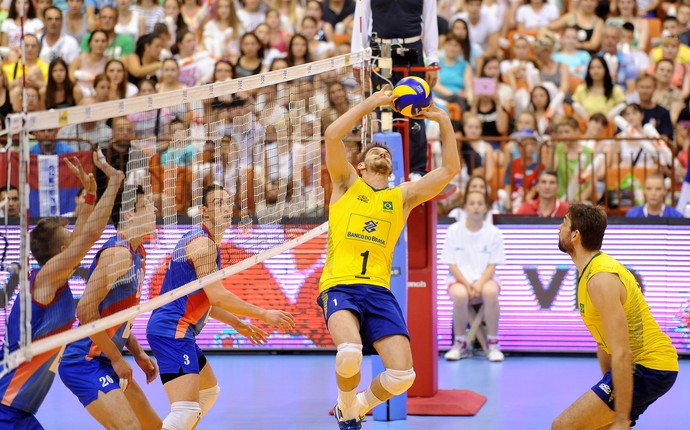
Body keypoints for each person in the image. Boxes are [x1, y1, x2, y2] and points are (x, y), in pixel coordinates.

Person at [318, 89, 459, 429]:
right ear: (362, 165)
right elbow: (332, 135)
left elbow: (451, 169)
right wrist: (374, 103)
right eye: (375, 152)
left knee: (402, 376)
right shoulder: (346, 182)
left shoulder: (403, 196)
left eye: (386, 153)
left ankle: (354, 408)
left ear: (391, 167)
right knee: (349, 353)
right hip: (340, 285)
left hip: (379, 291)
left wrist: (443, 120)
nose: (382, 154)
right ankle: (345, 403)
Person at [146, 183, 294, 430]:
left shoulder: (206, 241)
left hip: (179, 330)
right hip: (173, 330)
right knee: (185, 412)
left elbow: (205, 301)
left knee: (208, 391)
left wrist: (238, 324)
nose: (226, 208)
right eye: (217, 203)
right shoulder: (203, 245)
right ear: (204, 211)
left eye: (228, 202)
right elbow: (217, 297)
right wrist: (263, 314)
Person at [0, 152, 124, 428]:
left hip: (20, 411)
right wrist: (113, 183)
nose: (75, 235)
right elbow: (89, 236)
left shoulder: (55, 276)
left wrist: (90, 195)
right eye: (69, 236)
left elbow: (82, 233)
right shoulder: (44, 279)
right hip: (4, 406)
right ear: (62, 251)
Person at [553, 204, 678, 429]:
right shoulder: (588, 271)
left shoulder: (601, 279)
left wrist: (621, 418)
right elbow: (605, 344)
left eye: (563, 221)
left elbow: (621, 352)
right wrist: (609, 385)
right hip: (645, 366)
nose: (558, 227)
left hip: (649, 367)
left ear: (575, 235)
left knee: (562, 426)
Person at [57, 186, 160, 429]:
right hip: (84, 361)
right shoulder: (118, 254)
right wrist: (117, 358)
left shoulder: (137, 253)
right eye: (146, 206)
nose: (155, 209)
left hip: (104, 358)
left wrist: (137, 352)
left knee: (153, 427)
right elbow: (85, 311)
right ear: (129, 215)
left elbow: (115, 317)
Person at [350, 0, 439, 179]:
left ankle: (417, 169)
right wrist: (357, 59)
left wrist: (432, 58)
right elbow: (361, 18)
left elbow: (430, 19)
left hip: (412, 50)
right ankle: (382, 169)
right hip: (380, 52)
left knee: (416, 109)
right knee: (383, 112)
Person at [442, 190, 505, 362]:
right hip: (459, 281)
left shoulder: (494, 233)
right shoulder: (453, 231)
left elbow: (493, 264)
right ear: (464, 207)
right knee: (460, 295)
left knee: (491, 292)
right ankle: (460, 343)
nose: (476, 207)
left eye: (480, 203)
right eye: (472, 203)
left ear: (486, 208)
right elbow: (451, 263)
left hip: (485, 280)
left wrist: (479, 284)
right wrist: (467, 284)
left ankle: (492, 343)